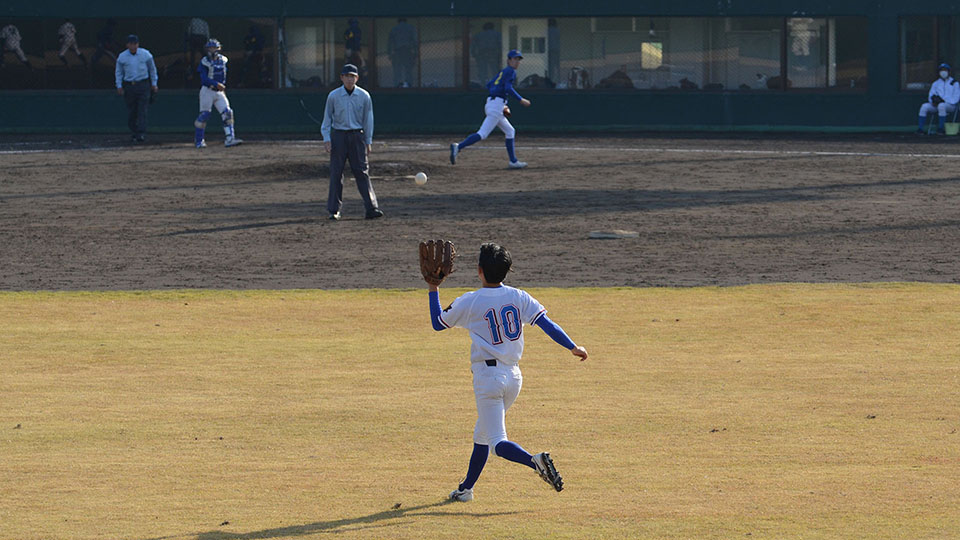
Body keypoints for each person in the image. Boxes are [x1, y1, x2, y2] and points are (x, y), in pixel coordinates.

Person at [425, 242, 589, 502]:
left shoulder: (470, 300)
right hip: (513, 378)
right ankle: (465, 489)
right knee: (482, 434)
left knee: (498, 443)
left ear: (479, 271)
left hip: (488, 379)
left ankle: (535, 461)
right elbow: (547, 324)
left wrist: (433, 288)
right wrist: (573, 346)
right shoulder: (519, 296)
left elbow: (437, 323)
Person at [320, 63, 382, 221]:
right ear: (341, 78)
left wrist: (368, 141)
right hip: (339, 136)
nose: (349, 79)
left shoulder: (364, 96)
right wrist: (327, 138)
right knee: (336, 173)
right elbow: (327, 119)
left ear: (357, 78)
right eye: (347, 76)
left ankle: (371, 208)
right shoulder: (333, 96)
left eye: (352, 76)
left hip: (357, 136)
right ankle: (334, 210)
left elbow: (368, 120)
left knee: (362, 172)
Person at [450, 49, 531, 169]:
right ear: (508, 61)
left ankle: (513, 161)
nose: (517, 62)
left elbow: (490, 85)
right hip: (497, 106)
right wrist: (521, 99)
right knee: (482, 134)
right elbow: (508, 88)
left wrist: (501, 100)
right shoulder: (511, 71)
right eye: (514, 59)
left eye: (518, 59)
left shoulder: (503, 72)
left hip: (493, 103)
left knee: (510, 131)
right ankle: (459, 146)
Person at [194, 38, 243, 148]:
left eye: (215, 48)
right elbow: (203, 79)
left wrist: (220, 86)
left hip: (219, 92)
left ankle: (230, 138)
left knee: (227, 112)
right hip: (207, 91)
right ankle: (199, 141)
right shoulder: (204, 62)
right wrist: (216, 84)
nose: (212, 50)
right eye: (210, 48)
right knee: (205, 115)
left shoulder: (223, 60)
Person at [115, 34, 158, 142]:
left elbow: (152, 70)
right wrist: (119, 85)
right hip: (129, 85)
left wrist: (154, 83)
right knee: (132, 110)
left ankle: (141, 133)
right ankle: (134, 131)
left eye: (135, 44)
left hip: (143, 84)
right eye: (131, 44)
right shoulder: (122, 57)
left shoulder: (146, 54)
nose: (133, 46)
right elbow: (119, 72)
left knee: (142, 109)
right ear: (127, 45)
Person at [917, 63, 960, 135]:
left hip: (951, 106)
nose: (943, 72)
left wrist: (944, 101)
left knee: (942, 106)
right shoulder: (936, 83)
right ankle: (920, 129)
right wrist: (933, 100)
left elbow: (956, 97)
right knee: (924, 106)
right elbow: (931, 95)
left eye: (945, 70)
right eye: (941, 70)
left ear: (949, 72)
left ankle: (941, 129)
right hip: (937, 105)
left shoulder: (954, 83)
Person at [387, 18, 417, 87]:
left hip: (397, 51)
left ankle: (398, 85)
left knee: (397, 70)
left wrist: (389, 53)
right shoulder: (410, 28)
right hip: (407, 51)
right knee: (408, 69)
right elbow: (415, 41)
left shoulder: (394, 29)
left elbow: (390, 42)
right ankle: (409, 84)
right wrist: (416, 52)